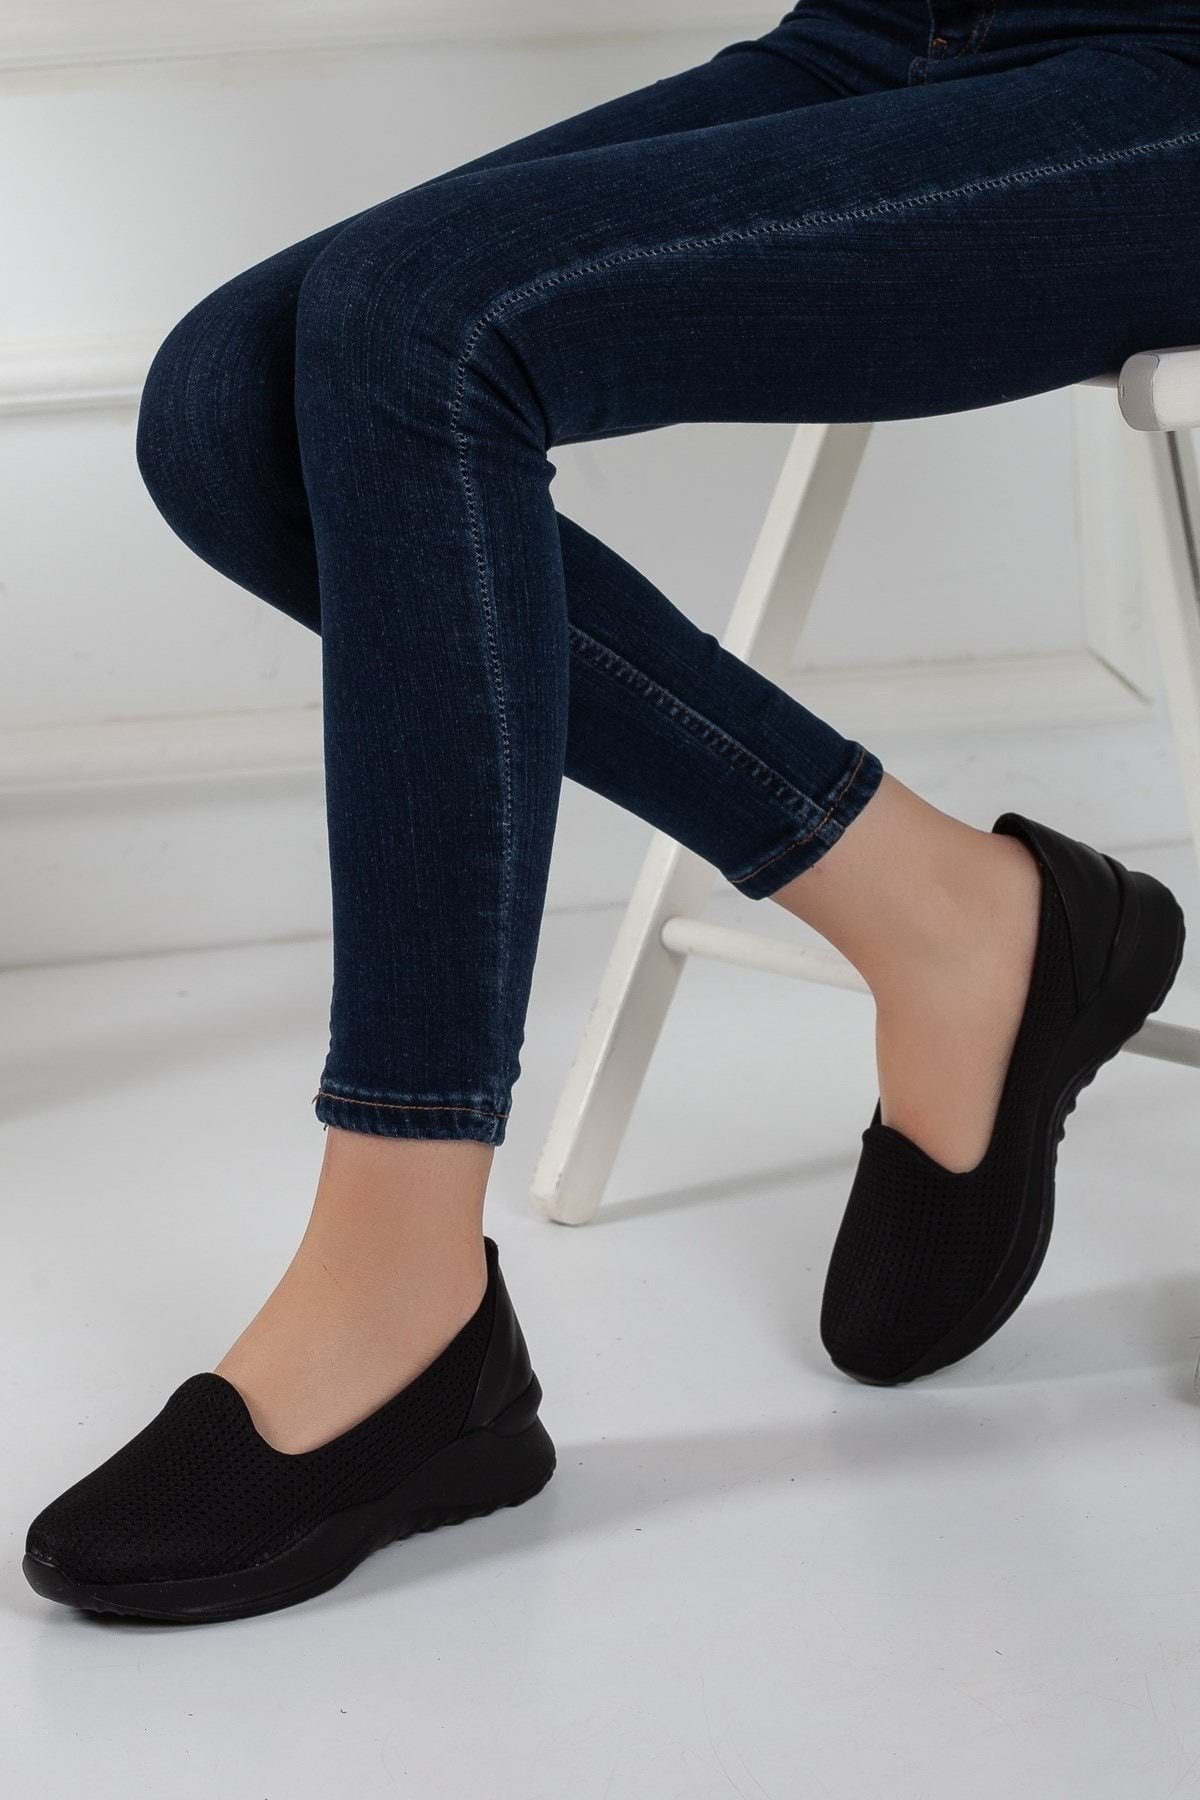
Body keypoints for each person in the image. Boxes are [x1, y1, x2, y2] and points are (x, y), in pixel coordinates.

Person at [23, 1, 1194, 1622]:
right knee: (231, 404)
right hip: (899, 27)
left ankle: (402, 1286)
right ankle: (947, 916)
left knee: (422, 318)